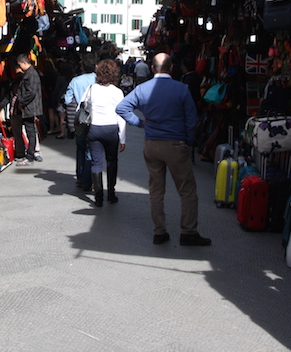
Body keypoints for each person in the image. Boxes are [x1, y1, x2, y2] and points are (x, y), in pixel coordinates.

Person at [116, 53, 210, 246]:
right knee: (187, 190)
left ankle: (159, 231)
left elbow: (122, 108)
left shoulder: (142, 89)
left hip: (152, 143)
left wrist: (140, 123)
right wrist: (189, 142)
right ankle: (188, 231)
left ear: (152, 68)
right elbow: (191, 118)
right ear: (172, 68)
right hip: (176, 143)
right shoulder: (181, 89)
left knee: (156, 189)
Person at [82, 59, 126, 207]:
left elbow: (82, 108)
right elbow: (122, 116)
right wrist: (123, 138)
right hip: (111, 129)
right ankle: (111, 193)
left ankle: (98, 196)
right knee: (112, 161)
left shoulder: (91, 89)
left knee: (96, 162)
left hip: (94, 128)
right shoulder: (117, 92)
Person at [0, 54, 43, 166]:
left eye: (19, 65)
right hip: (27, 107)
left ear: (24, 63)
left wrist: (21, 103)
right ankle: (29, 154)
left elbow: (31, 92)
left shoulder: (31, 74)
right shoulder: (29, 74)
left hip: (28, 107)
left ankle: (31, 155)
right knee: (29, 131)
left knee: (30, 132)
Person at [65, 53, 97, 189]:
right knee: (92, 149)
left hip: (81, 118)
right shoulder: (99, 80)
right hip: (97, 118)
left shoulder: (75, 81)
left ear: (82, 66)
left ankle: (81, 177)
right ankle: (90, 178)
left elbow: (67, 100)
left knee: (81, 148)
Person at [50, 61, 74, 139]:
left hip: (62, 99)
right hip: (72, 99)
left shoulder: (60, 78)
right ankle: (72, 131)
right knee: (72, 116)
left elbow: (57, 89)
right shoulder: (73, 78)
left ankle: (62, 133)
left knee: (62, 117)